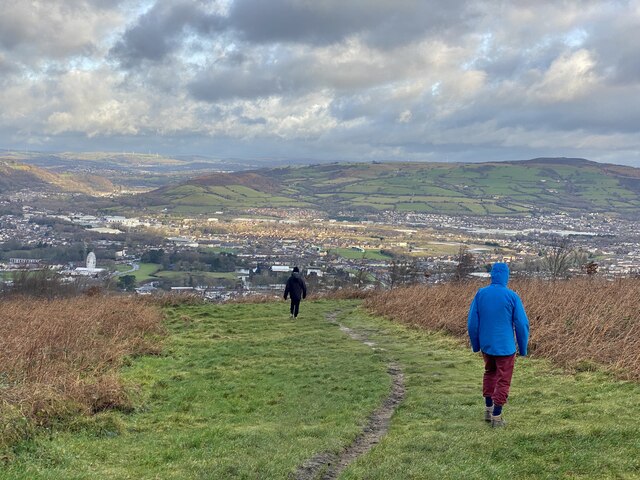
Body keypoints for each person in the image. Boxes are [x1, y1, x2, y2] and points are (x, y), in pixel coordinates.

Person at [467, 262, 529, 428]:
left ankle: (488, 410)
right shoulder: (512, 296)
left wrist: (476, 345)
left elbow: (472, 323)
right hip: (506, 347)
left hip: (487, 345)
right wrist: (523, 348)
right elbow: (522, 324)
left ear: (492, 275)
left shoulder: (481, 294)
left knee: (490, 373)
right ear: (506, 276)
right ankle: (497, 416)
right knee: (503, 380)